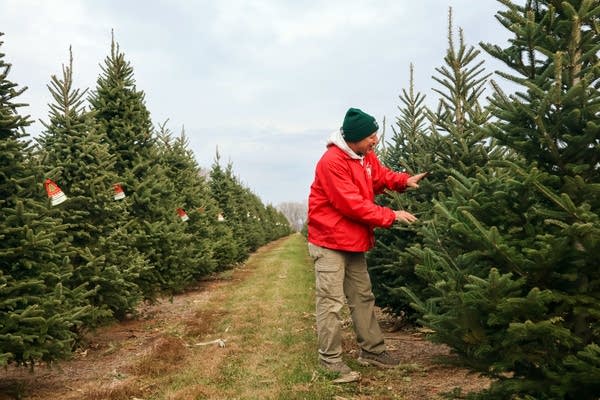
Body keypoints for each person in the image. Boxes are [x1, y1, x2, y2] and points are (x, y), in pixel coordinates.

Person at [307, 107, 427, 381]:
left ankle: (372, 351)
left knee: (363, 296)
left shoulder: (364, 156)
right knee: (331, 302)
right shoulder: (332, 162)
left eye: (376, 135)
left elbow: (379, 176)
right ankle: (330, 360)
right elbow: (351, 204)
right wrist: (391, 215)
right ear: (354, 138)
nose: (376, 140)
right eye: (371, 136)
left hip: (353, 240)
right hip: (329, 241)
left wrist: (403, 181)